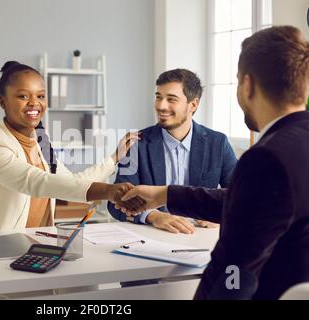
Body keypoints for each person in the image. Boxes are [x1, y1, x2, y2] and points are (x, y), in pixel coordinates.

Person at [118, 26, 309, 300]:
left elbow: (233, 270)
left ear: (248, 84)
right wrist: (164, 195)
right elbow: (248, 202)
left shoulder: (265, 158)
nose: (162, 105)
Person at [0, 61, 141, 231]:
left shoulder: (41, 141)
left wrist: (114, 158)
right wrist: (109, 191)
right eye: (23, 96)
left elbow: (71, 181)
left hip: (37, 242)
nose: (34, 103)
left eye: (40, 96)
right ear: (3, 102)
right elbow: (35, 182)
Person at [108, 69, 237, 234]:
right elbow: (115, 204)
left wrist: (219, 215)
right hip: (152, 238)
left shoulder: (218, 143)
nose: (161, 106)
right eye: (158, 97)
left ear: (193, 104)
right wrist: (154, 216)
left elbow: (240, 197)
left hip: (201, 238)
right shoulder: (135, 143)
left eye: (171, 99)